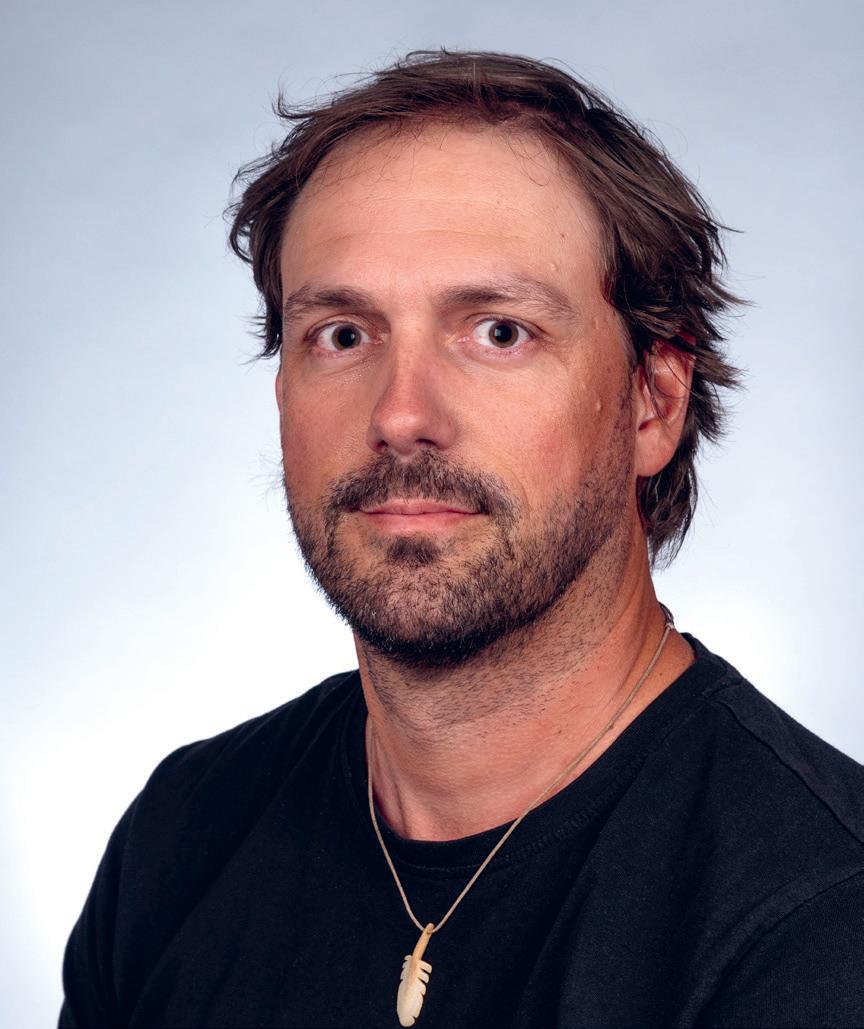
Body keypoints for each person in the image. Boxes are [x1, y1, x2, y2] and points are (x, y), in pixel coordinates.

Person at [59, 51, 864, 1029]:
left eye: (498, 332)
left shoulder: (820, 920)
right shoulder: (185, 833)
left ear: (653, 401)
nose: (401, 415)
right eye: (344, 334)